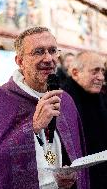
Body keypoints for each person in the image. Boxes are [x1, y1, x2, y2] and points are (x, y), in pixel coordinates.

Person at [0, 27, 89, 189]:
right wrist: (33, 127)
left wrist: (70, 176)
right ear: (20, 61)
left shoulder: (66, 101)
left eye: (53, 51)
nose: (48, 58)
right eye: (39, 52)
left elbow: (72, 153)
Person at [62, 51, 107, 189]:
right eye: (95, 71)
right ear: (75, 73)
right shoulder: (60, 101)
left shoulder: (101, 98)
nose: (101, 77)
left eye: (102, 71)